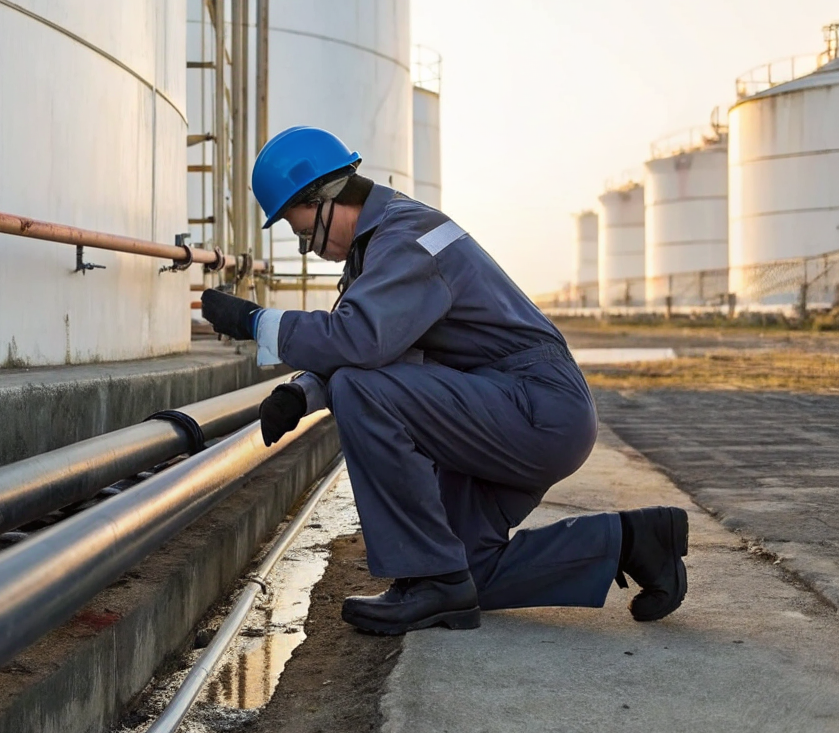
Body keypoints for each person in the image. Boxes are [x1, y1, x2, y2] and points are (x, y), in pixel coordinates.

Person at [201, 126, 688, 636]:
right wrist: (298, 392)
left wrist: (254, 321)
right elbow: (376, 345)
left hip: (535, 407)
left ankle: (428, 576)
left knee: (358, 392)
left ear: (323, 197)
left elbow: (360, 342)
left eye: (304, 234)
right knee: (469, 573)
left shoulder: (406, 238)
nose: (308, 250)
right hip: (498, 406)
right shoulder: (382, 247)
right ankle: (637, 540)